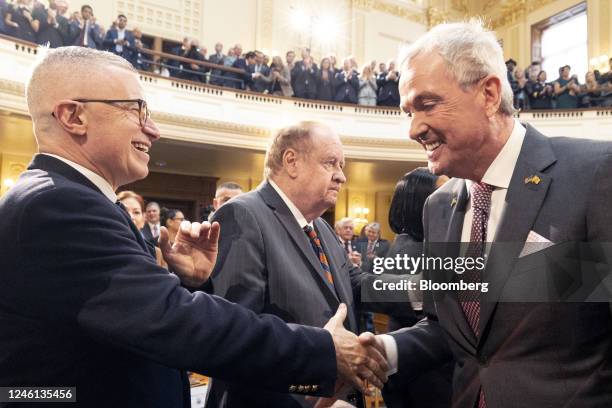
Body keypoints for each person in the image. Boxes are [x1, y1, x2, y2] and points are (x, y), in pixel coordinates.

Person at [0, 46, 389, 407]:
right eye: (136, 110)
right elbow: (183, 324)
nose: (153, 130)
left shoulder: (323, 229)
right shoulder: (58, 203)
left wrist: (441, 284)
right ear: (73, 115)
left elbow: (133, 317)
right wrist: (321, 355)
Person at [355, 21, 612, 408]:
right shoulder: (438, 208)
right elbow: (453, 329)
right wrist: (385, 350)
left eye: (426, 104)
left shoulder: (593, 173)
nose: (413, 129)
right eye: (408, 111)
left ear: (488, 94)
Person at [209, 121, 407, 407]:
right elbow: (239, 333)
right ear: (291, 161)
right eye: (331, 163)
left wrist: (427, 289)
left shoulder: (321, 228)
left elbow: (358, 284)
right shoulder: (241, 214)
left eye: (342, 166)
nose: (341, 177)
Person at [381, 168, 453, 408]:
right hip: (426, 380)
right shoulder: (412, 253)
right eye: (445, 194)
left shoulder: (417, 246)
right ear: (422, 204)